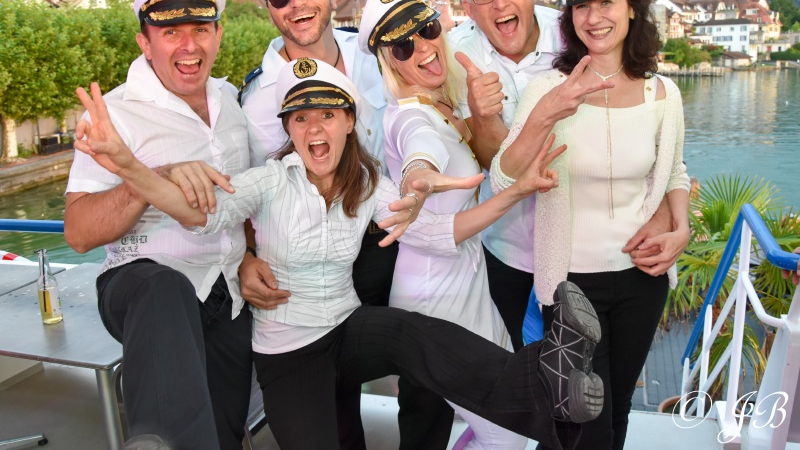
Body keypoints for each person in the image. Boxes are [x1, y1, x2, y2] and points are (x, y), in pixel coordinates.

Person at [74, 57, 604, 450]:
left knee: (416, 333)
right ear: (288, 129)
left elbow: (439, 231)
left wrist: (515, 191)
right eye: (300, 118)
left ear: (349, 122)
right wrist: (131, 169)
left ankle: (546, 383)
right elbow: (196, 214)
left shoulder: (367, 185)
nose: (314, 128)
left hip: (346, 330)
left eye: (327, 114)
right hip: (289, 352)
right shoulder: (269, 182)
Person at [244, 0, 453, 449]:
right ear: (266, 4)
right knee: (335, 401)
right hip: (319, 256)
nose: (298, 3)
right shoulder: (257, 98)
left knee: (428, 374)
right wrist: (246, 256)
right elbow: (250, 197)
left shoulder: (375, 54)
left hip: (397, 236)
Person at [491, 0, 691, 450]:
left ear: (632, 8)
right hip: (570, 286)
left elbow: (674, 172)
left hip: (642, 280)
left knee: (617, 408)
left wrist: (682, 229)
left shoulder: (662, 94)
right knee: (581, 421)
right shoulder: (547, 88)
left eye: (606, 2)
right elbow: (502, 177)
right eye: (581, 5)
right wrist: (546, 114)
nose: (593, 16)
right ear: (570, 17)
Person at [446, 0, 677, 350]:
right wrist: (483, 116)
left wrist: (668, 218)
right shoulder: (452, 55)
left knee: (585, 377)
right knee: (510, 367)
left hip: (588, 254)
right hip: (509, 244)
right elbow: (497, 166)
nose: (501, 3)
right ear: (468, 7)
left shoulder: (580, 30)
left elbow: (647, 143)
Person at [63, 0, 252, 450]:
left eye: (200, 29)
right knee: (164, 287)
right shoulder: (114, 116)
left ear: (218, 35)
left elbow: (248, 200)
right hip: (141, 284)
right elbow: (78, 233)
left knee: (223, 435)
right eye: (170, 32)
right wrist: (150, 180)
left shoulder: (232, 101)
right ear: (145, 44)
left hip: (227, 292)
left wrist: (251, 256)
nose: (189, 46)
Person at [358, 0, 533, 449]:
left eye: (427, 29)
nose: (423, 47)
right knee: (509, 432)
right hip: (436, 300)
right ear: (388, 62)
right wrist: (419, 175)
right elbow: (419, 149)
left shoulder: (440, 104)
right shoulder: (409, 116)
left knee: (506, 417)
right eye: (403, 46)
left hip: (469, 285)